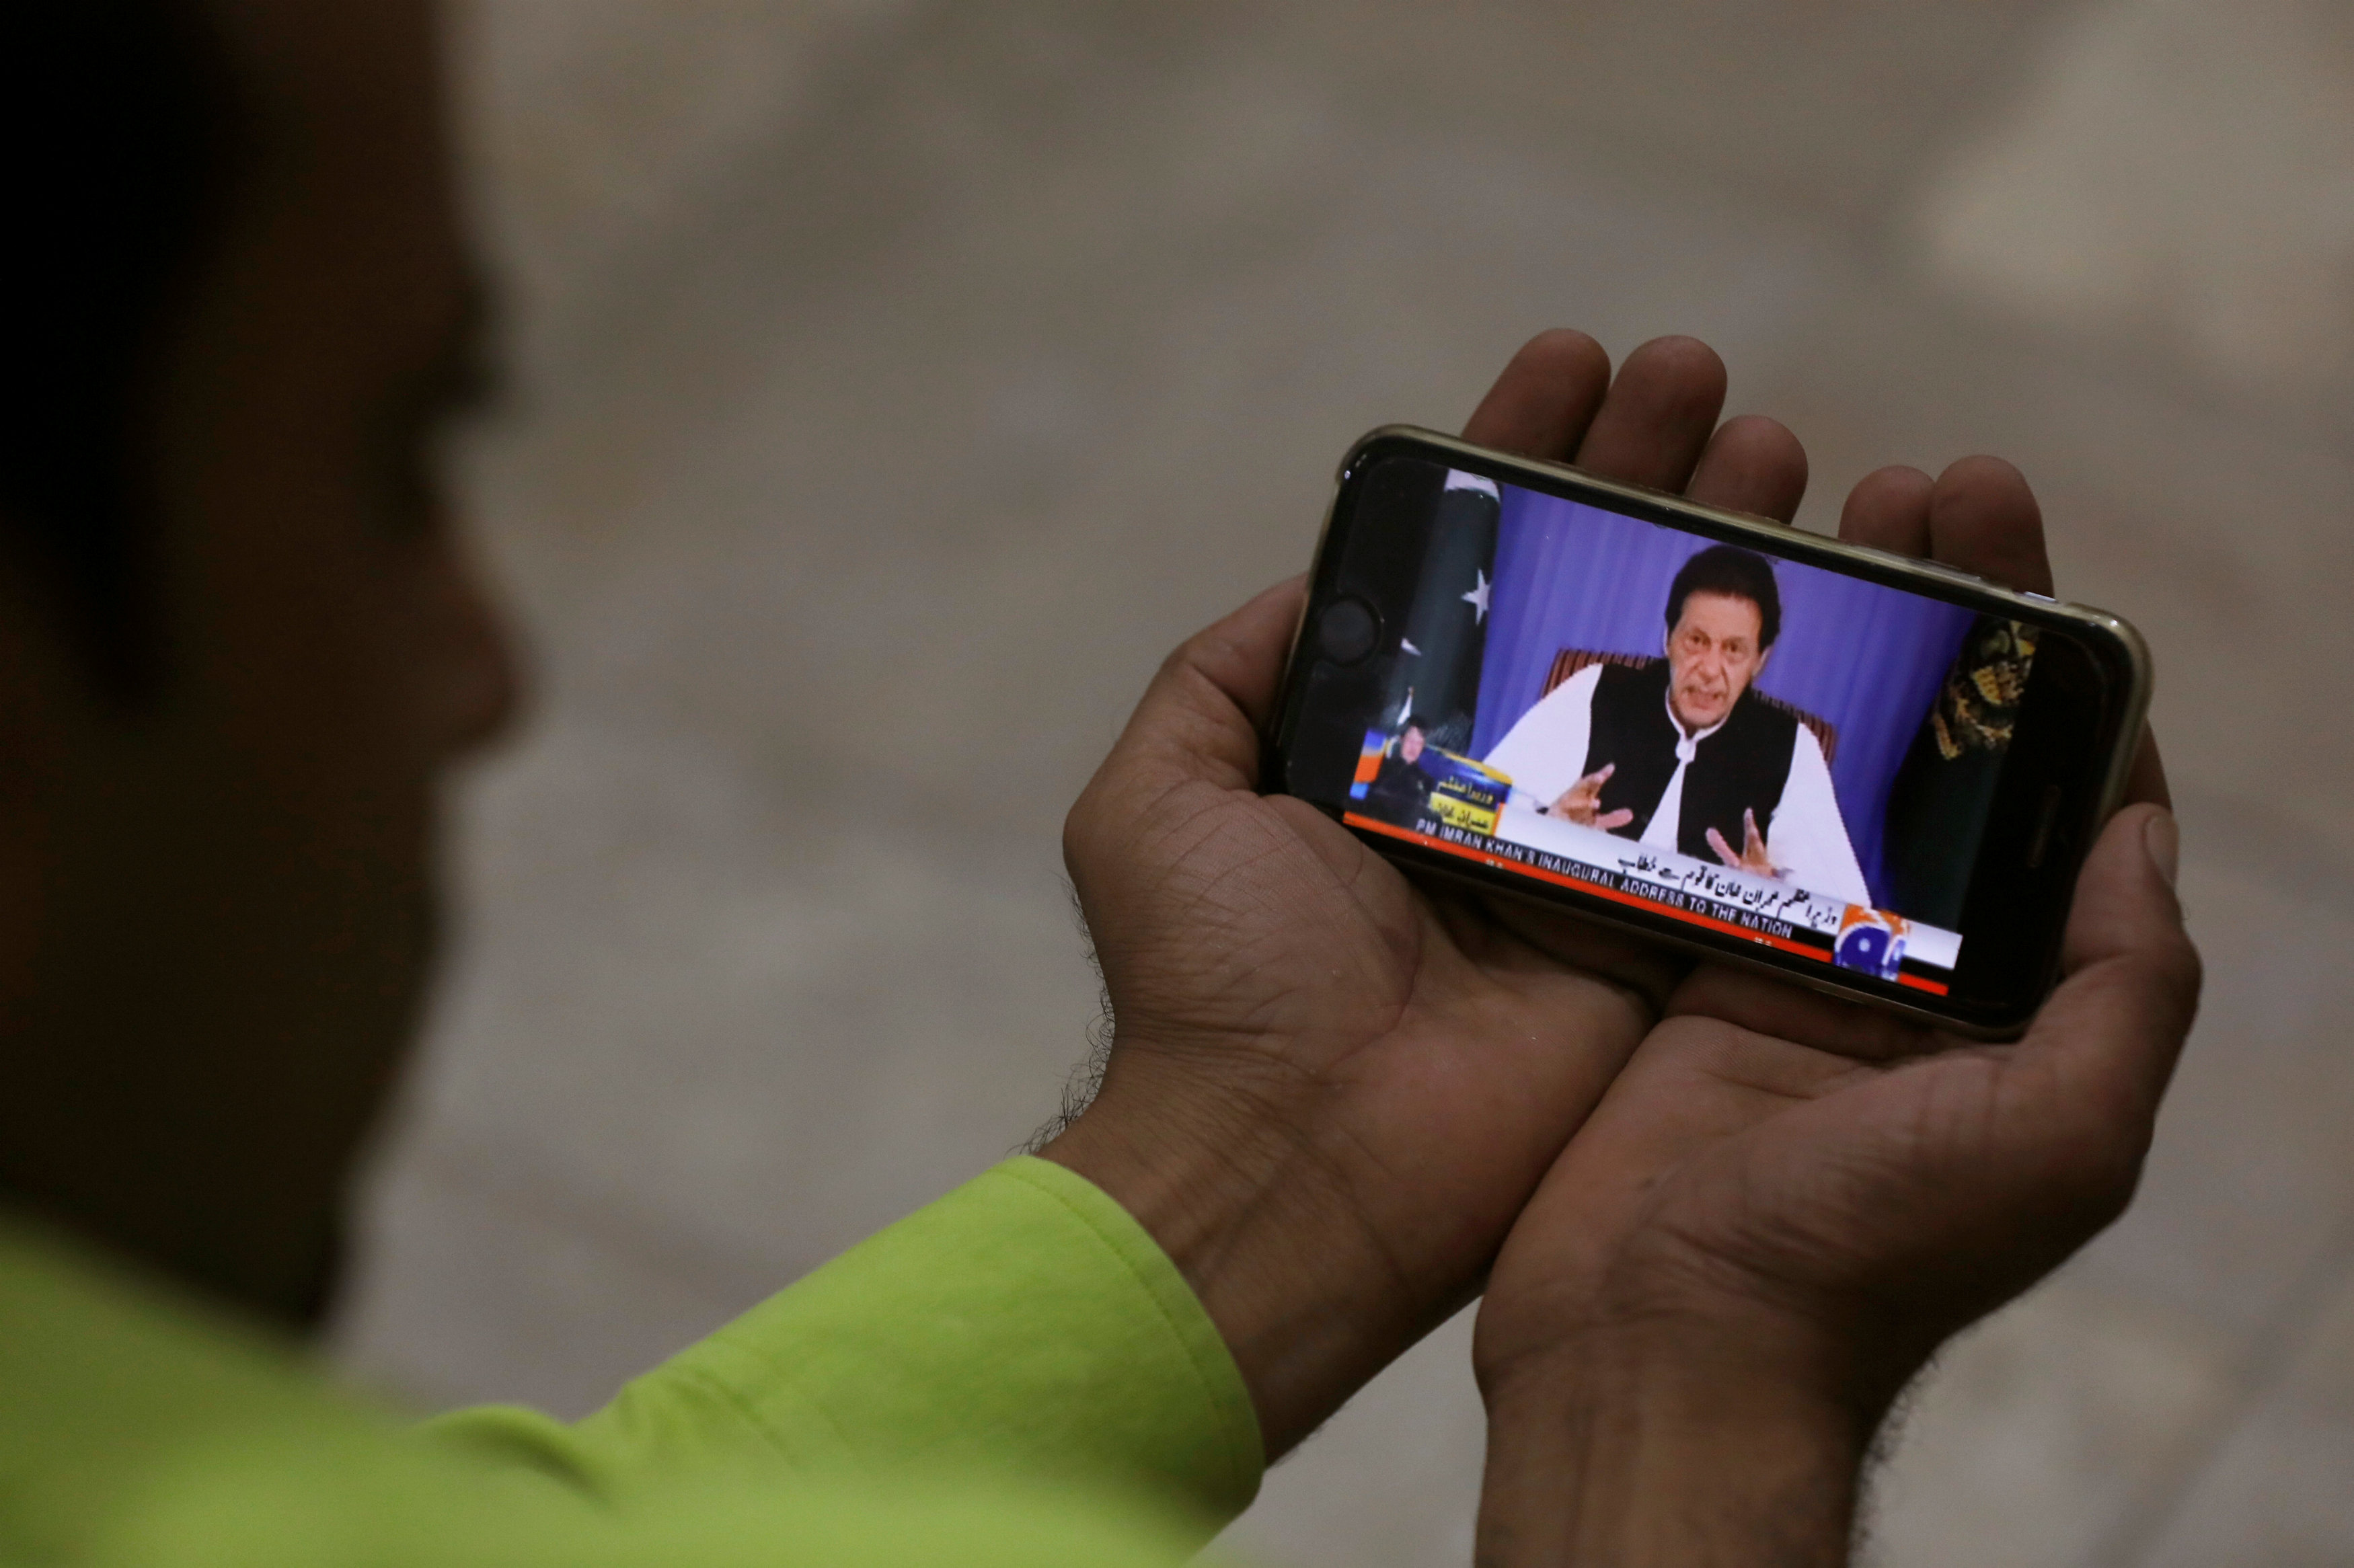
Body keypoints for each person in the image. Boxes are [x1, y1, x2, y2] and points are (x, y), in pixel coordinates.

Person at [0, 3, 2199, 1565]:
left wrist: (1279, 1146)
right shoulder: (1594, 701)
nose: (485, 674)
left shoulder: (1804, 756)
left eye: (1735, 643)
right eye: (397, 468)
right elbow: (1479, 779)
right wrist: (1692, 1412)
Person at [1484, 542, 1872, 906]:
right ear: (1668, 637)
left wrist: (1770, 899)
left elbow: (1847, 908)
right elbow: (1477, 806)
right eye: (1697, 641)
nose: (1708, 670)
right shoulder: (1597, 687)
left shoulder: (1793, 745)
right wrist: (1547, 829)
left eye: (1734, 650)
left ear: (1760, 661)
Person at [1362, 715, 1438, 823]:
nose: (1413, 747)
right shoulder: (1381, 766)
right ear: (1401, 739)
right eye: (1411, 740)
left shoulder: (1427, 780)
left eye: (1419, 743)